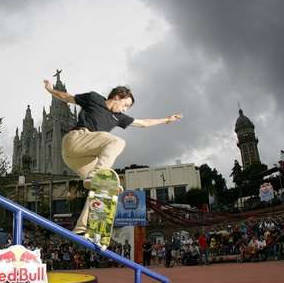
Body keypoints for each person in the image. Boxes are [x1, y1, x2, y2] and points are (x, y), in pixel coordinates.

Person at [43, 80, 182, 235]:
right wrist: (50, 90)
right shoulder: (94, 98)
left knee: (105, 188)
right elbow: (68, 97)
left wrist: (166, 119)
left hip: (79, 158)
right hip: (75, 140)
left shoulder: (119, 117)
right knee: (117, 142)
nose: (124, 109)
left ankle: (83, 228)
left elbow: (143, 123)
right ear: (117, 97)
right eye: (125, 105)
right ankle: (96, 175)